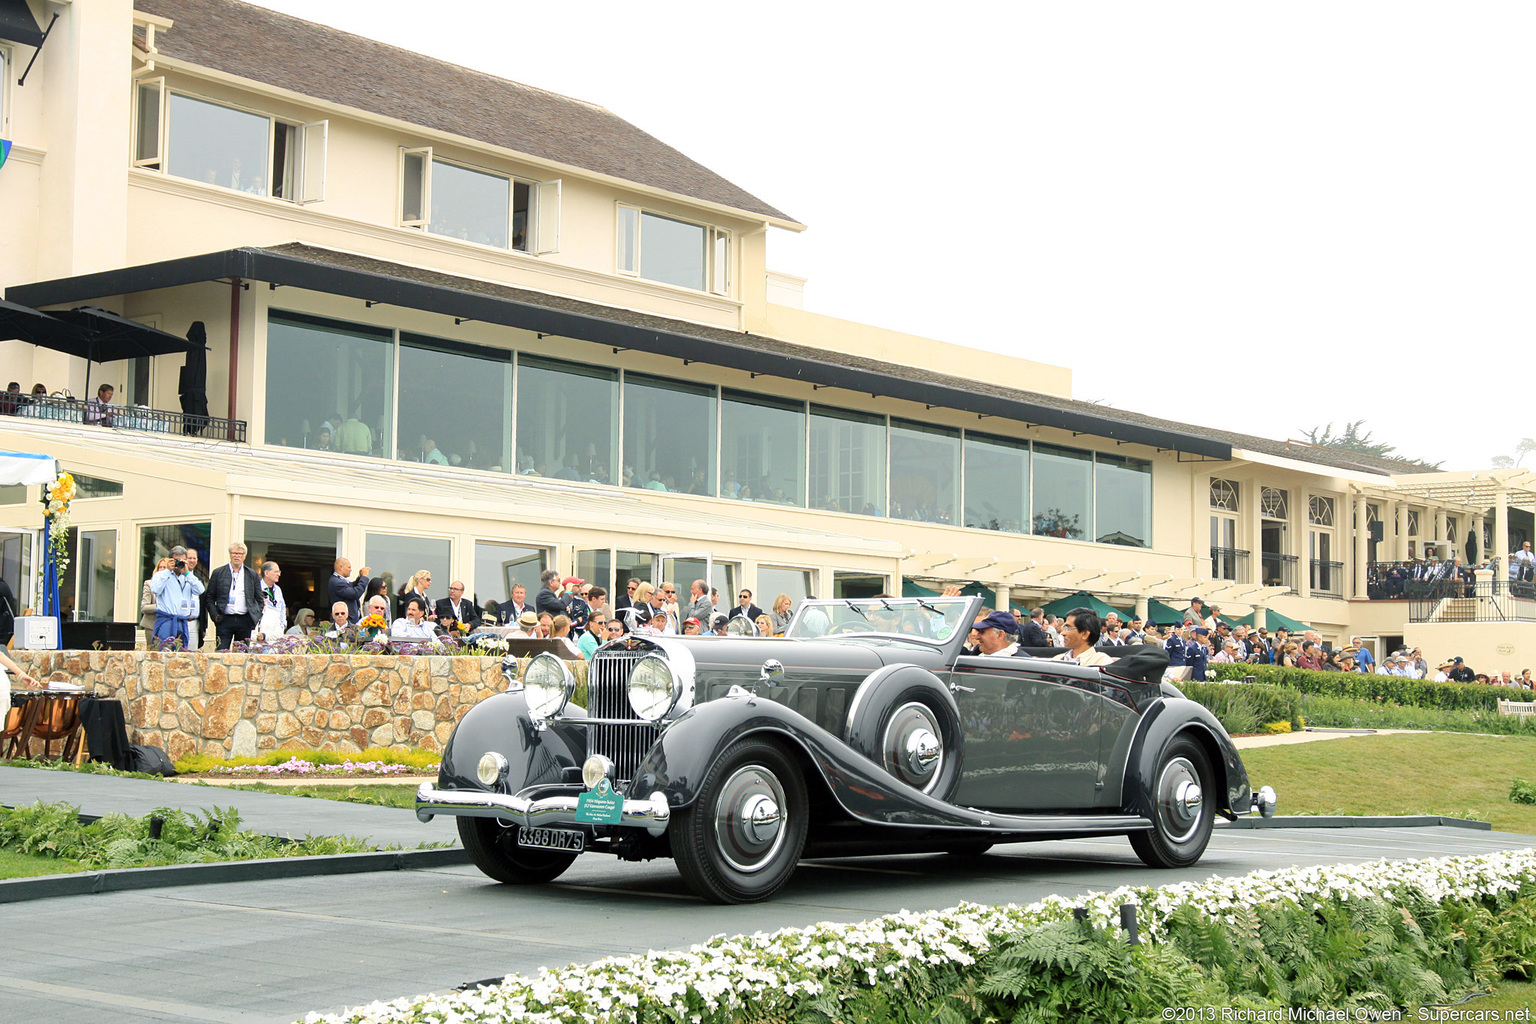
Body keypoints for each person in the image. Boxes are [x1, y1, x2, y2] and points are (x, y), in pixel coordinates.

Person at [208, 542, 261, 650]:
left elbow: (259, 599)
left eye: (240, 554)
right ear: (230, 555)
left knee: (241, 655)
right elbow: (209, 597)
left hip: (245, 620)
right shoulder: (218, 573)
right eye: (234, 553)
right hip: (224, 619)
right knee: (221, 653)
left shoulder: (251, 574)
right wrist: (215, 616)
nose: (237, 556)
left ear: (244, 556)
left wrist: (255, 617)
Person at [150, 554, 205, 648]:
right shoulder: (161, 575)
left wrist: (187, 573)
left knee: (182, 654)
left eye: (182, 560)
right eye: (175, 561)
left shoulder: (188, 577)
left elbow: (200, 590)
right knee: (164, 652)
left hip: (182, 622)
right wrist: (167, 571)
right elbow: (155, 590)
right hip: (166, 621)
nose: (178, 564)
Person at [141, 557, 173, 646]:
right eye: (160, 567)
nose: (162, 570)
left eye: (165, 567)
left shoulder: (174, 585)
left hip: (170, 625)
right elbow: (144, 607)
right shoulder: (149, 584)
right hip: (152, 625)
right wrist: (161, 606)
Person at [328, 557, 371, 623]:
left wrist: (360, 577)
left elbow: (351, 587)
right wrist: (364, 577)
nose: (351, 570)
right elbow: (355, 593)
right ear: (340, 567)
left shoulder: (339, 580)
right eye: (349, 567)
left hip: (350, 621)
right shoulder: (337, 582)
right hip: (345, 622)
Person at [253, 561, 287, 643]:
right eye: (276, 572)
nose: (279, 574)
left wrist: (282, 625)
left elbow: (282, 608)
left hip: (275, 633)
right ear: (267, 573)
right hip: (260, 632)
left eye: (279, 572)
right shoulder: (256, 588)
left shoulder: (278, 589)